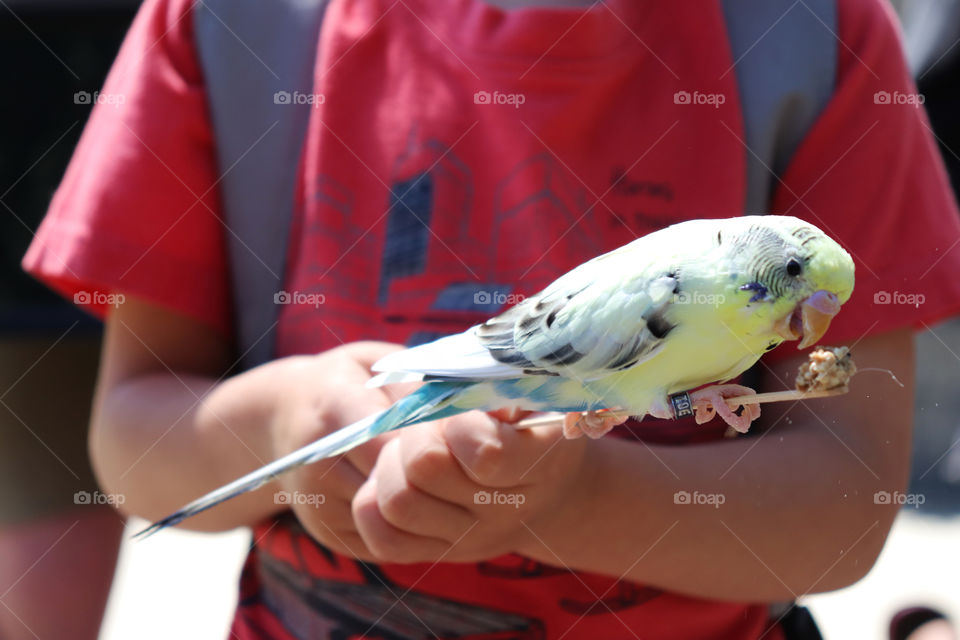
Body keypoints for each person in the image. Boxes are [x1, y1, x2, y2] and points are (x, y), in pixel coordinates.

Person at [22, 0, 960, 637]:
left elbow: (850, 496)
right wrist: (291, 424)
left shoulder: (817, 34)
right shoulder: (234, 26)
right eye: (798, 277)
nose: (811, 312)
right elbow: (133, 441)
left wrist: (571, 494)